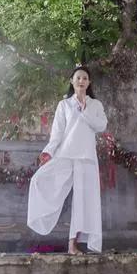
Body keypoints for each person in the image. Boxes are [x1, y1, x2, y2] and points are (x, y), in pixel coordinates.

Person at [27, 65, 108, 254]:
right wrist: (48, 151)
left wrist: (84, 109)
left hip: (86, 157)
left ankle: (73, 244)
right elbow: (57, 133)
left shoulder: (95, 105)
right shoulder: (63, 105)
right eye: (78, 78)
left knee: (85, 201)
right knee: (39, 180)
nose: (81, 81)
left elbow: (101, 126)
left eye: (85, 78)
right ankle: (38, 222)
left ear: (89, 83)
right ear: (72, 81)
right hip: (65, 154)